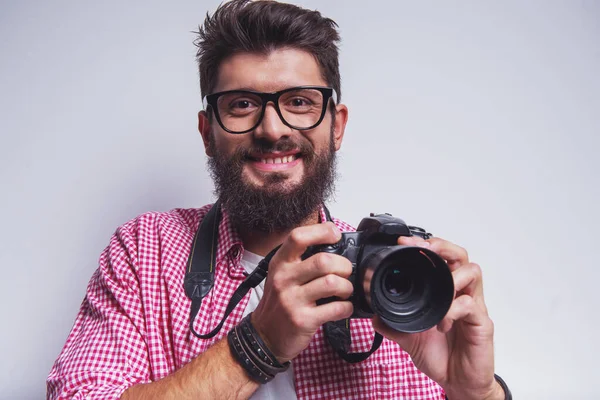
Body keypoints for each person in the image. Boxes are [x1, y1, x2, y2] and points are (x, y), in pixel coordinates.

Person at [46, 1, 511, 399]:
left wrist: (477, 392)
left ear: (337, 126)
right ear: (209, 133)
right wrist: (258, 343)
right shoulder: (144, 250)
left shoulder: (403, 279)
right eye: (242, 104)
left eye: (301, 102)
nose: (273, 129)